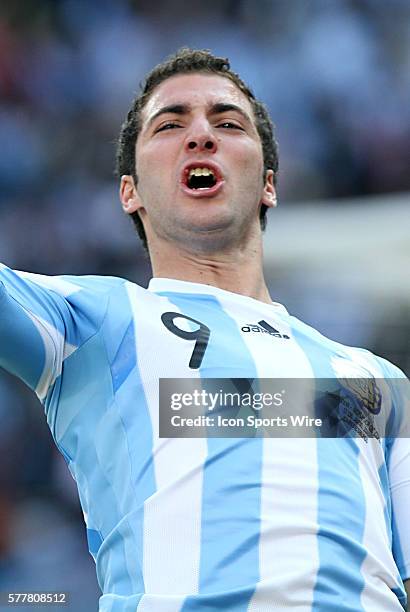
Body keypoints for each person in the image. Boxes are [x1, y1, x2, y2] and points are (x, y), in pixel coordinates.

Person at [0, 48, 409, 612]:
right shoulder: (95, 321)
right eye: (170, 125)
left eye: (228, 123)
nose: (200, 136)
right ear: (130, 192)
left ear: (268, 184)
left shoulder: (373, 378)